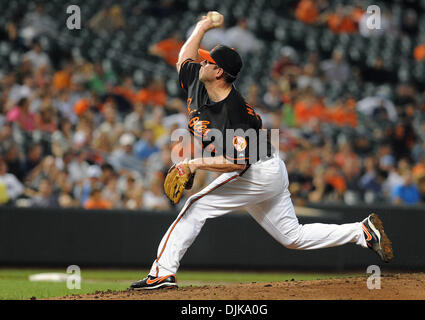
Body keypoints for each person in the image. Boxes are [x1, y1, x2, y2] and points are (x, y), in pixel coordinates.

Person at [130, 12, 394, 290]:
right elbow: (184, 56)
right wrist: (203, 26)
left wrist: (194, 164)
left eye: (207, 61)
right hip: (265, 168)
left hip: (257, 170)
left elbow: (238, 162)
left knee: (196, 206)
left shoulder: (233, 113)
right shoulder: (198, 78)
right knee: (292, 237)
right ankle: (361, 232)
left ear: (219, 72)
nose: (200, 61)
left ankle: (162, 272)